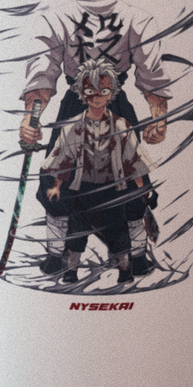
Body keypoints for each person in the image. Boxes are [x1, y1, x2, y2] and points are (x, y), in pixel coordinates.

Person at [19, 0, 169, 275]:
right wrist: (159, 118)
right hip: (114, 108)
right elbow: (152, 75)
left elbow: (43, 77)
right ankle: (129, 254)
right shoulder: (137, 17)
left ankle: (63, 256)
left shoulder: (54, 19)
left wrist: (33, 118)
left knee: (74, 184)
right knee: (126, 185)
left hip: (81, 106)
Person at [37, 55, 156, 285]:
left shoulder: (121, 124)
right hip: (73, 104)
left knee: (131, 202)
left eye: (102, 93)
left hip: (114, 180)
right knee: (55, 192)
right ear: (85, 94)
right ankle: (57, 258)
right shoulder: (73, 125)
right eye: (92, 93)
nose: (97, 98)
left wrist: (158, 114)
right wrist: (31, 118)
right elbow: (45, 64)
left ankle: (136, 259)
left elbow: (150, 66)